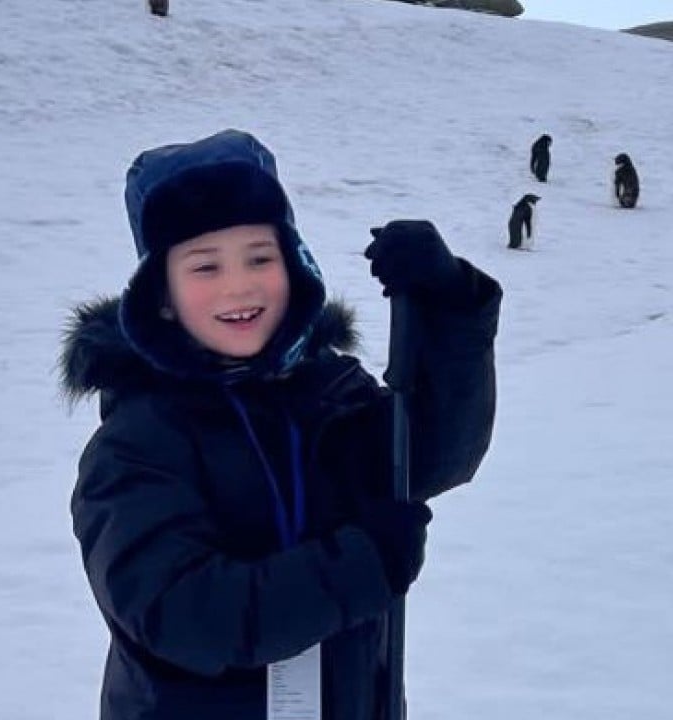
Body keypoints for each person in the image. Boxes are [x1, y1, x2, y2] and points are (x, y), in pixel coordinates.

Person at [59, 128, 501, 720]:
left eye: (259, 257)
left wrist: (446, 306)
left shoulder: (328, 392)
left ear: (293, 264)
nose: (239, 284)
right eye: (205, 265)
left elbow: (435, 457)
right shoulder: (136, 446)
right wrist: (360, 565)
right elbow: (184, 615)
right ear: (161, 296)